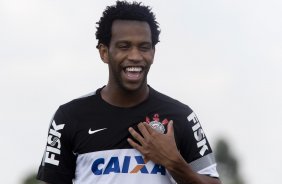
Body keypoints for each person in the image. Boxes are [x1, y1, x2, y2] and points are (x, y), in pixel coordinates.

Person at [36, 1, 221, 184]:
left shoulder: (181, 116)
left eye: (144, 47)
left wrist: (173, 162)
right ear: (104, 52)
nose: (135, 56)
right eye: (124, 46)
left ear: (153, 53)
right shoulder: (68, 117)